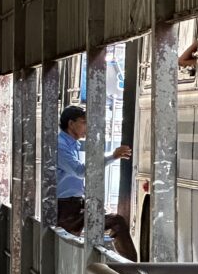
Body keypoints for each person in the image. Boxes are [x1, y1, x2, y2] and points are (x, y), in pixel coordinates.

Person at [56, 105, 138, 262]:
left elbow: (73, 180)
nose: (88, 127)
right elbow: (79, 171)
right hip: (65, 209)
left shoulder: (72, 144)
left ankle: (129, 267)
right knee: (115, 222)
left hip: (75, 205)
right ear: (71, 123)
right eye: (84, 122)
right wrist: (112, 156)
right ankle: (132, 270)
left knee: (115, 222)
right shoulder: (61, 146)